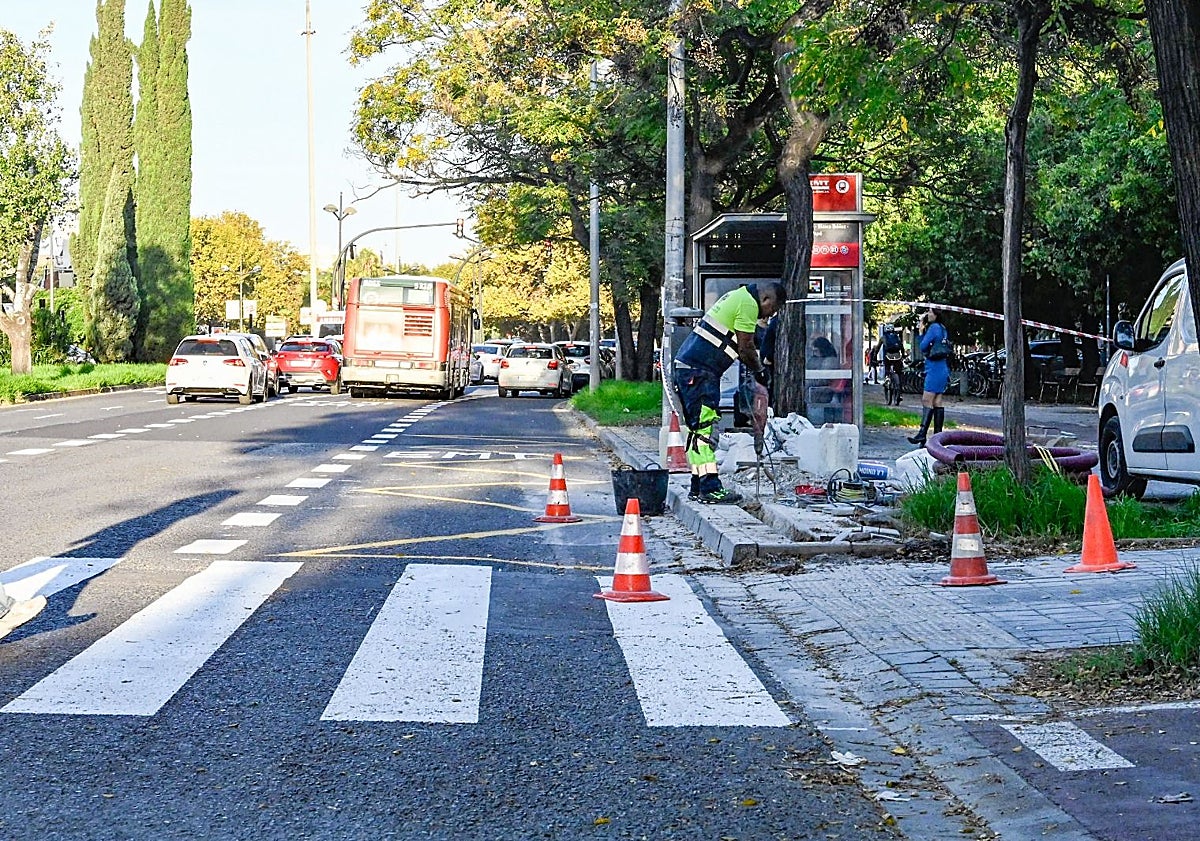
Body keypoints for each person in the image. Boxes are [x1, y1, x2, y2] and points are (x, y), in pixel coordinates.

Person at [673, 281, 785, 504]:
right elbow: (745, 347)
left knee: (698, 433)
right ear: (766, 300)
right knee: (705, 433)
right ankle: (710, 488)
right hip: (700, 373)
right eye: (772, 310)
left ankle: (698, 486)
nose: (769, 316)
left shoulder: (737, 296)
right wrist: (760, 372)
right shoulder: (747, 304)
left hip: (693, 371)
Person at [908, 309, 951, 446]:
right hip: (943, 368)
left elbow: (923, 345)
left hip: (934, 369)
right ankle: (937, 436)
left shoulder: (933, 328)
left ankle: (922, 434)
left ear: (936, 314)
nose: (928, 314)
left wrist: (921, 331)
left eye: (930, 312)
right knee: (937, 401)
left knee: (926, 399)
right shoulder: (943, 329)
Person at [873, 324, 906, 405]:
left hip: (888, 357)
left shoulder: (883, 338)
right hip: (897, 357)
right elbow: (901, 347)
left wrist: (874, 358)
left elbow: (877, 349)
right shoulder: (897, 337)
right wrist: (903, 355)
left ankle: (887, 379)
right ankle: (900, 393)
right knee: (899, 373)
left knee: (887, 369)